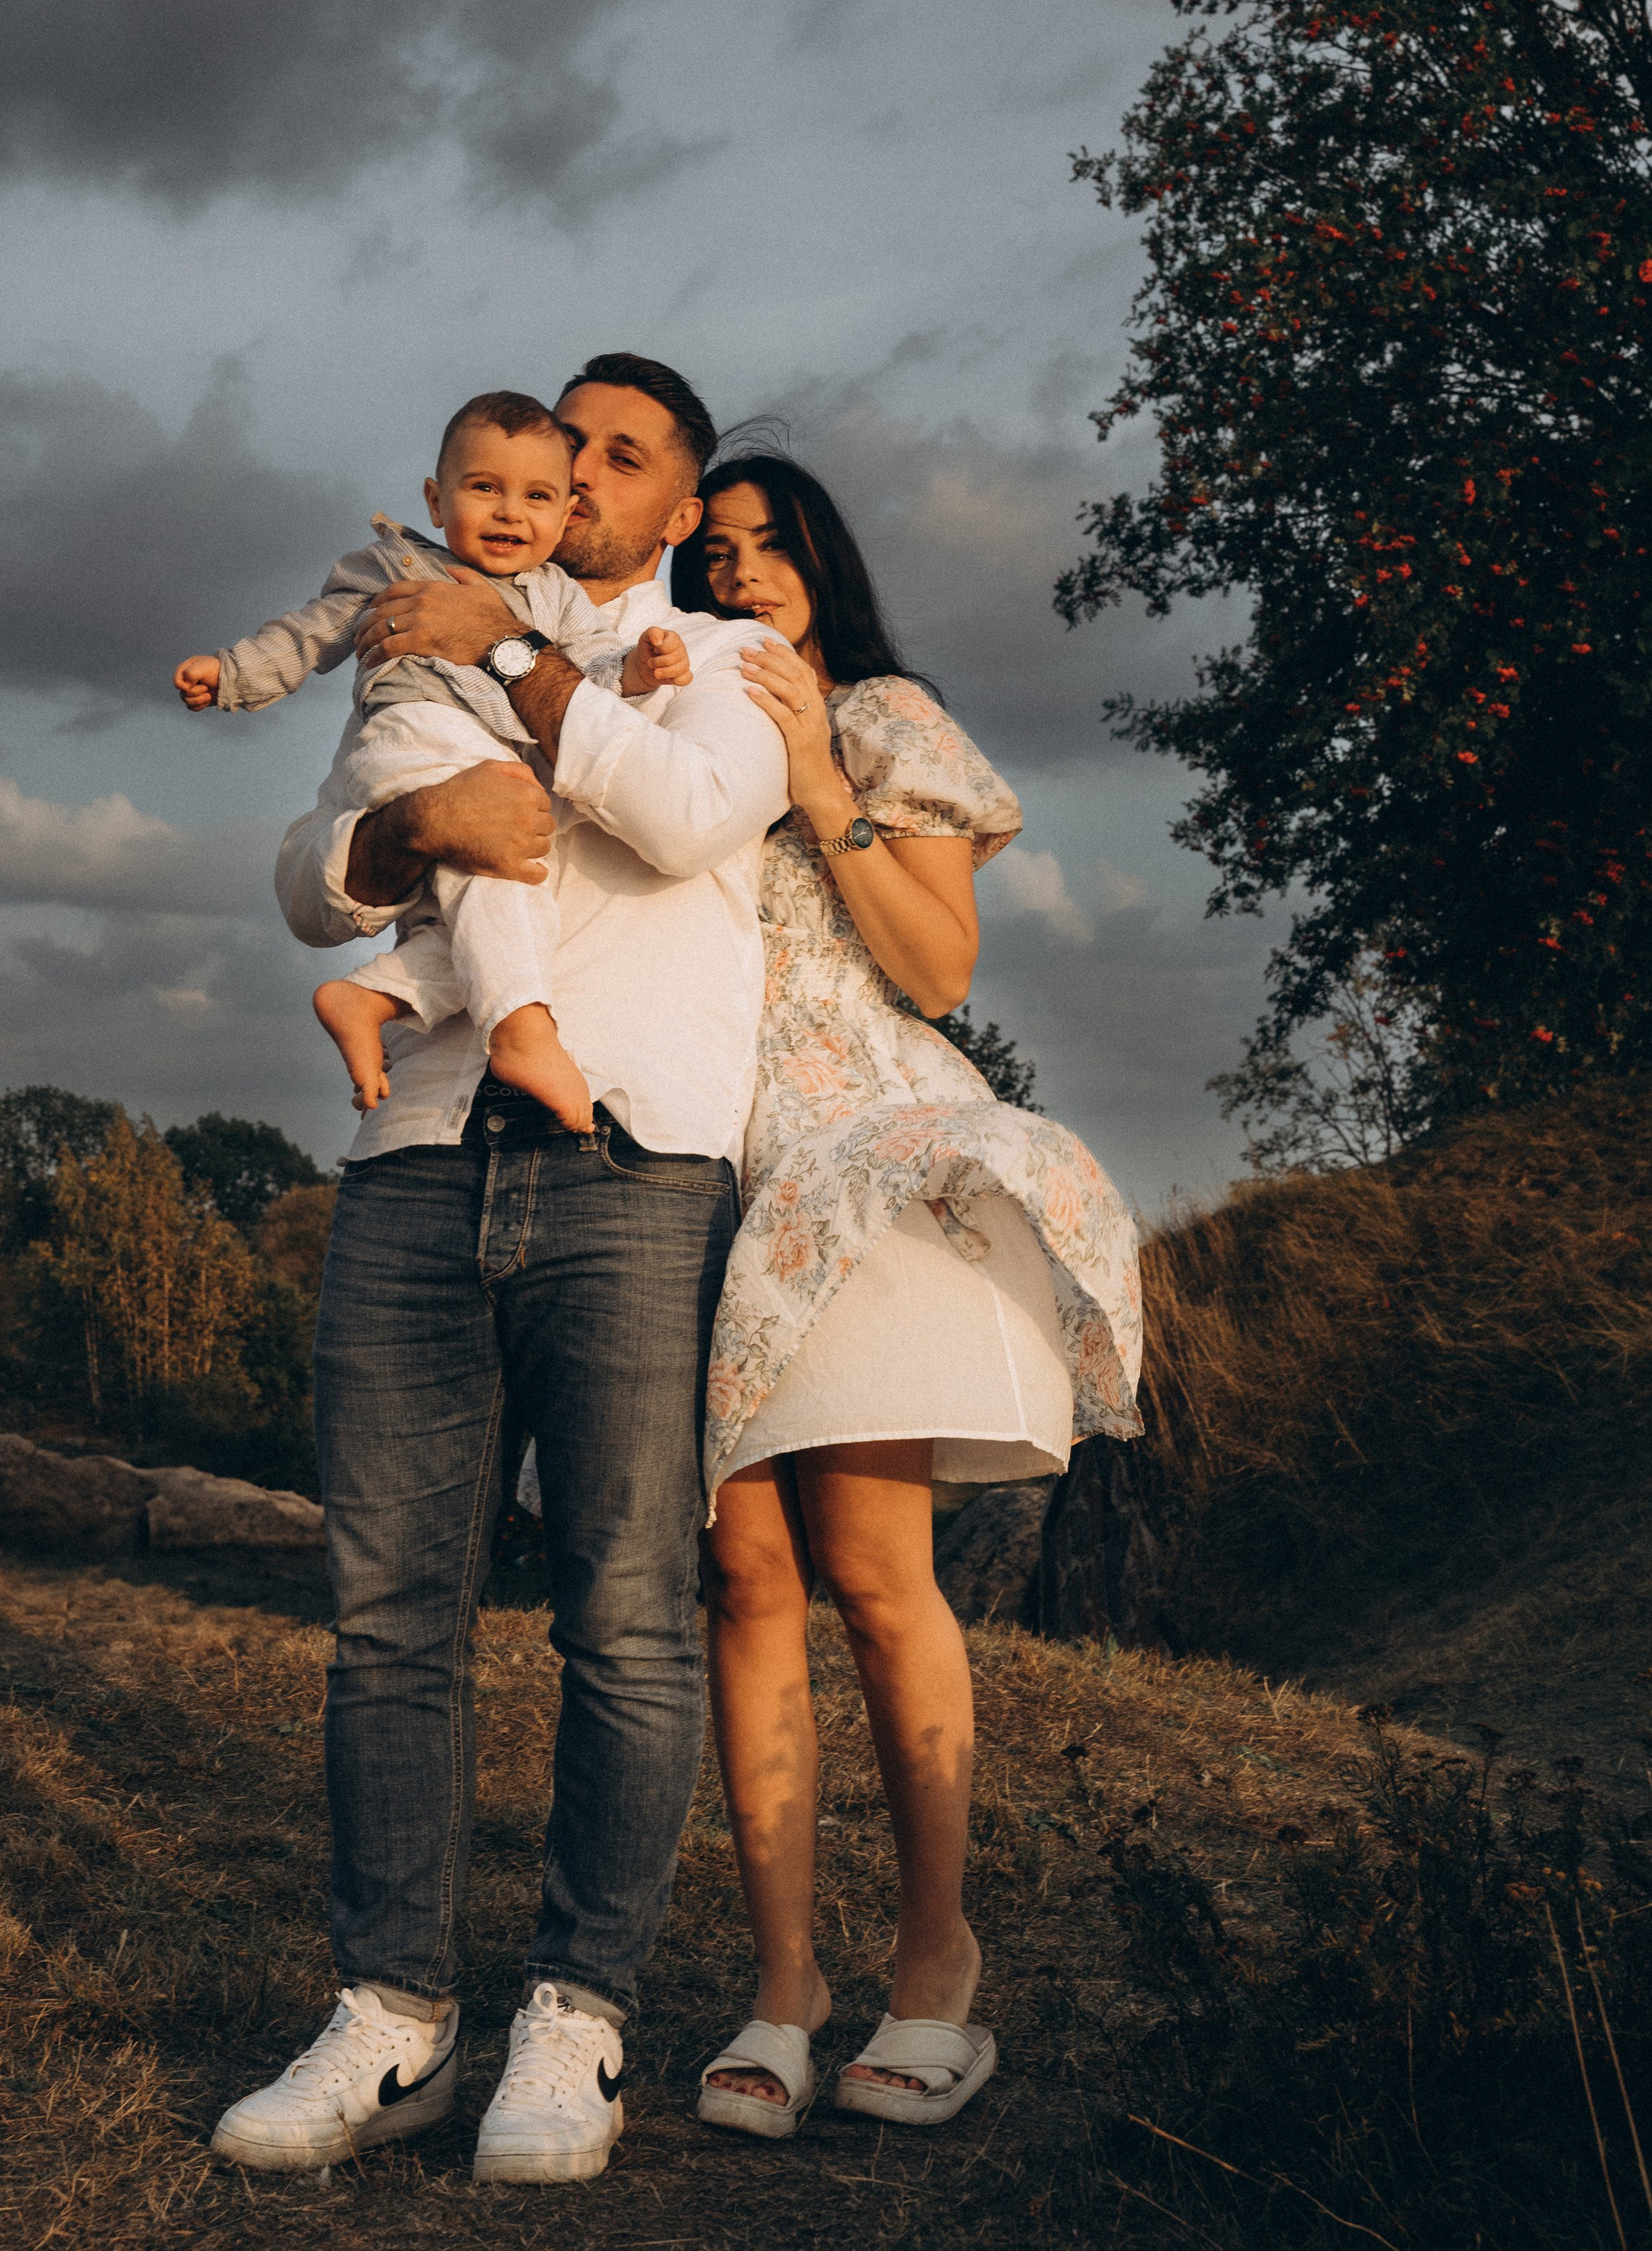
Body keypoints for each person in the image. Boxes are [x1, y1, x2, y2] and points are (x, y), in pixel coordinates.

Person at [209, 355, 790, 2187]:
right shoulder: (433, 620)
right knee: (388, 1611)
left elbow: (680, 821)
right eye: (565, 448)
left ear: (680, 502)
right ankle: (391, 2012)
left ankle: (574, 2012)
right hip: (411, 1154)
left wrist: (516, 654)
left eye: (624, 457)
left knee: (623, 1610)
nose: (582, 479)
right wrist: (410, 832)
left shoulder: (725, 663)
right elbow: (312, 874)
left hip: (629, 1161)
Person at [675, 454, 1142, 2139]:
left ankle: (936, 1964)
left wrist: (817, 778)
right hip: (694, 1165)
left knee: (875, 1578)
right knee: (743, 1579)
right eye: (711, 553)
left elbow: (938, 971)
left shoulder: (883, 719)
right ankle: (784, 1984)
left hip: (846, 1162)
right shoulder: (670, 728)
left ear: (820, 562)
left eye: (768, 545)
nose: (739, 574)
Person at [174, 389, 687, 1129]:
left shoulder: (556, 596)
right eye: (485, 488)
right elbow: (311, 633)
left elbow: (591, 674)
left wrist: (636, 670)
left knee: (509, 904)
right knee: (503, 874)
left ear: (563, 511)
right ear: (436, 501)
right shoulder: (399, 565)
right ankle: (522, 1031)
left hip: (495, 758)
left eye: (536, 496)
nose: (510, 512)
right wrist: (232, 674)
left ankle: (376, 993)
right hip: (416, 731)